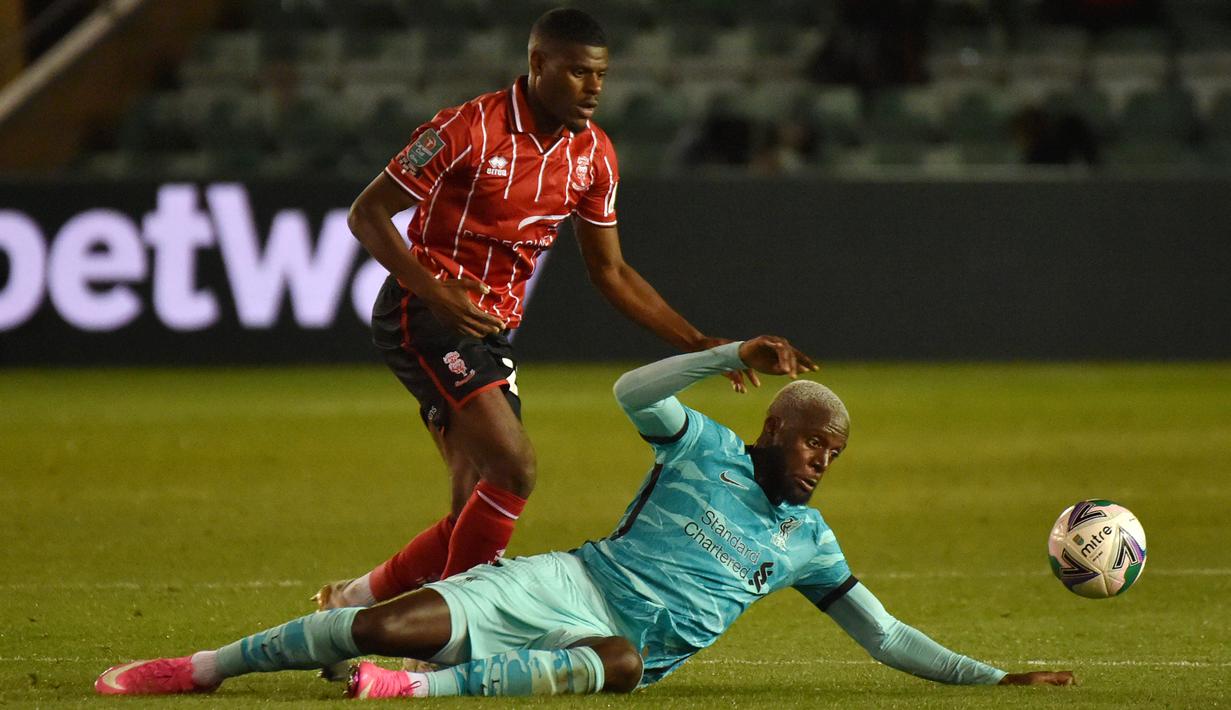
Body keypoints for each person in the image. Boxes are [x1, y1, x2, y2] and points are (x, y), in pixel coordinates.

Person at [95, 336, 1074, 698]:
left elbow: (886, 633)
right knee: (374, 622)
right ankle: (199, 666)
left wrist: (991, 673)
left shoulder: (807, 544)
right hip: (571, 580)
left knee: (617, 665)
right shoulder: (700, 443)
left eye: (836, 455)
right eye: (817, 443)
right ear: (775, 426)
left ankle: (410, 692)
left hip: (613, 646)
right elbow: (628, 386)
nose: (824, 463)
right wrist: (719, 349)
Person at [318, 6, 750, 648]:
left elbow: (612, 272)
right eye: (577, 72)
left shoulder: (593, 155)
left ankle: (349, 605)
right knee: (515, 467)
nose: (594, 87)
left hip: (488, 334)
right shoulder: (467, 128)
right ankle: (448, 638)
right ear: (538, 64)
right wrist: (434, 291)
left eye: (600, 75)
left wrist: (696, 342)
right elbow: (368, 214)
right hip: (426, 313)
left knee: (476, 507)